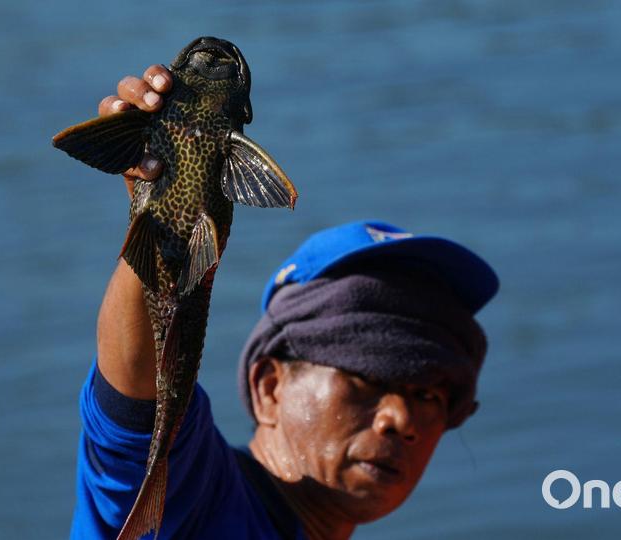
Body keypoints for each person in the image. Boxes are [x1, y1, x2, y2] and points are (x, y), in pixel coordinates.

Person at [70, 66, 499, 540]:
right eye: (366, 377)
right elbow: (139, 407)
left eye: (429, 395)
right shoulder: (189, 499)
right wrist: (166, 206)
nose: (400, 419)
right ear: (269, 387)